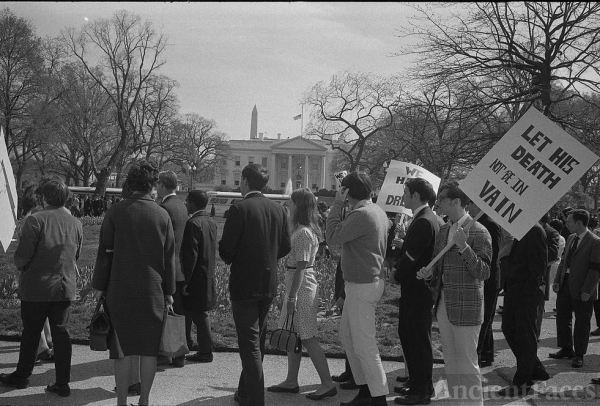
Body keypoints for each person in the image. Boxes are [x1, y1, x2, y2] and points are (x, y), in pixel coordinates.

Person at [92, 160, 176, 406]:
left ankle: (120, 401)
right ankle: (144, 401)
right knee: (149, 349)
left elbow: (105, 252)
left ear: (130, 183)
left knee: (122, 349)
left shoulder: (116, 212)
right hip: (153, 290)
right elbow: (169, 257)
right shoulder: (163, 215)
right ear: (152, 185)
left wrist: (99, 285)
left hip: (120, 287)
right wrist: (169, 291)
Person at [0, 180, 83, 397]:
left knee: (31, 333)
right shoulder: (76, 222)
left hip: (37, 285)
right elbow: (76, 255)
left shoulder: (36, 220)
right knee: (62, 334)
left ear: (44, 197)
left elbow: (23, 255)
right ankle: (63, 382)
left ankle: (22, 376)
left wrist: (21, 265)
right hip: (64, 285)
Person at [218, 163, 291, 406]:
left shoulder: (239, 209)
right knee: (256, 340)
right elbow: (285, 247)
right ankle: (245, 392)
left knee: (250, 346)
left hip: (245, 284)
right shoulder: (278, 209)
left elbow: (226, 250)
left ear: (246, 181)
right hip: (268, 281)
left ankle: (255, 400)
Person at [417, 181, 491, 406]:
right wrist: (428, 274)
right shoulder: (444, 229)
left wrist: (464, 247)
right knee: (450, 361)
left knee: (467, 363)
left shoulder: (479, 231)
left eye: (442, 200)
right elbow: (439, 271)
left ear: (456, 202)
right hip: (444, 305)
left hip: (467, 307)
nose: (437, 204)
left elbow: (484, 272)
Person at [326, 171, 390, 406]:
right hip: (364, 283)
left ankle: (378, 396)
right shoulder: (376, 212)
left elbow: (332, 236)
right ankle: (367, 391)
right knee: (349, 337)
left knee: (364, 344)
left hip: (362, 285)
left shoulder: (363, 214)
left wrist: (336, 203)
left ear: (347, 192)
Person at [267, 188, 337, 401]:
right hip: (299, 285)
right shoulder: (303, 230)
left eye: (291, 202)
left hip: (302, 287)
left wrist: (291, 297)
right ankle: (291, 380)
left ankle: (327, 383)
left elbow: (301, 267)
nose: (288, 205)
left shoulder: (304, 233)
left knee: (307, 336)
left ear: (299, 206)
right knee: (295, 334)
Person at [392, 178, 439, 406]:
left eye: (406, 192)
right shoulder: (425, 218)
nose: (403, 196)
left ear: (417, 196)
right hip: (417, 289)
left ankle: (422, 389)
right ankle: (416, 381)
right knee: (409, 335)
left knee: (417, 339)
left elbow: (412, 257)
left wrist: (396, 274)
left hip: (417, 289)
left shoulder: (423, 221)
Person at [498, 221, 549, 397]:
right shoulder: (523, 228)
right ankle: (535, 368)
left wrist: (529, 292)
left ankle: (522, 382)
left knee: (525, 335)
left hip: (526, 293)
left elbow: (539, 266)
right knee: (509, 329)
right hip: (515, 290)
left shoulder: (534, 230)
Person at [550, 209, 600, 369]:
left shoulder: (595, 241)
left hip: (583, 289)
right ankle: (566, 348)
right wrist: (558, 280)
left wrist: (587, 290)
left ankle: (579, 355)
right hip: (566, 285)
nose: (567, 224)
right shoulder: (571, 237)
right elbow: (564, 260)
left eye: (569, 221)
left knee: (582, 322)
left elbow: (595, 269)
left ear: (579, 223)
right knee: (563, 318)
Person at [157, 170, 190, 368]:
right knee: (178, 313)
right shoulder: (182, 206)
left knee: (166, 314)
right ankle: (178, 353)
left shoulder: (165, 208)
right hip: (180, 266)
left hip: (168, 266)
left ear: (162, 185)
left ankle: (167, 351)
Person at [182, 190, 218, 363]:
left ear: (194, 204)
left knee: (198, 314)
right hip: (207, 272)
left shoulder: (193, 223)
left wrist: (185, 281)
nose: (186, 204)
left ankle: (205, 350)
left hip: (196, 276)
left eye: (187, 201)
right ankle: (193, 345)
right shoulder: (211, 221)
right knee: (197, 313)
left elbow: (190, 256)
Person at [466, 201, 501, 369]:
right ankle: (487, 353)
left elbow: (491, 256)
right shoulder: (482, 222)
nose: (469, 208)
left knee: (483, 318)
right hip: (486, 278)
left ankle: (478, 355)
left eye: (471, 204)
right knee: (485, 317)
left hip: (488, 278)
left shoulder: (488, 224)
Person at [537, 213, 560, 340]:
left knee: (537, 309)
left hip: (540, 277)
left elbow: (552, 254)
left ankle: (534, 336)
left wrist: (532, 258)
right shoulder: (527, 229)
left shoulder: (551, 233)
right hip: (523, 276)